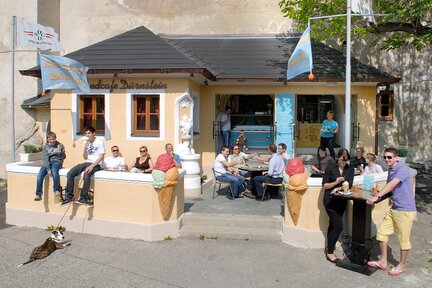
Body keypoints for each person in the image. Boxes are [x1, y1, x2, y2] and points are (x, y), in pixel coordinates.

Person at [366, 147, 416, 276]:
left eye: (390, 157)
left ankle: (402, 265)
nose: (387, 159)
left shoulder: (402, 169)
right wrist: (377, 193)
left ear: (396, 158)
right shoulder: (391, 170)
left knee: (403, 239)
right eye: (385, 157)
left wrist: (376, 197)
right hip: (394, 208)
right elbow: (389, 190)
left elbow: (392, 185)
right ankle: (383, 261)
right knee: (382, 233)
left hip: (405, 209)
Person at [322, 148, 354, 263]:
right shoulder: (330, 167)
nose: (343, 163)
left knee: (333, 225)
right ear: (338, 158)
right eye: (341, 160)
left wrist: (342, 187)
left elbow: (349, 184)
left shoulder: (350, 169)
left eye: (345, 161)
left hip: (341, 201)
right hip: (330, 201)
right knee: (339, 226)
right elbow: (324, 186)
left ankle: (328, 248)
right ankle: (330, 252)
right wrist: (335, 182)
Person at [61, 126, 105, 206]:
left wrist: (91, 166)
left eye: (89, 133)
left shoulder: (99, 142)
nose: (87, 135)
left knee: (87, 174)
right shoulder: (85, 142)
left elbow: (101, 157)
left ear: (93, 133)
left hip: (97, 164)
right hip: (87, 162)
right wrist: (85, 148)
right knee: (70, 173)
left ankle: (83, 197)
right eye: (86, 133)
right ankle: (69, 197)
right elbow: (85, 157)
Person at [34, 131, 66, 203]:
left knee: (54, 171)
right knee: (39, 176)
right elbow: (45, 158)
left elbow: (64, 156)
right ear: (48, 139)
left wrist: (59, 152)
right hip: (47, 162)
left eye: (53, 139)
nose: (52, 141)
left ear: (55, 138)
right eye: (50, 139)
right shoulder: (45, 146)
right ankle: (38, 194)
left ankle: (56, 190)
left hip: (57, 161)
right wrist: (48, 169)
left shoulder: (60, 145)